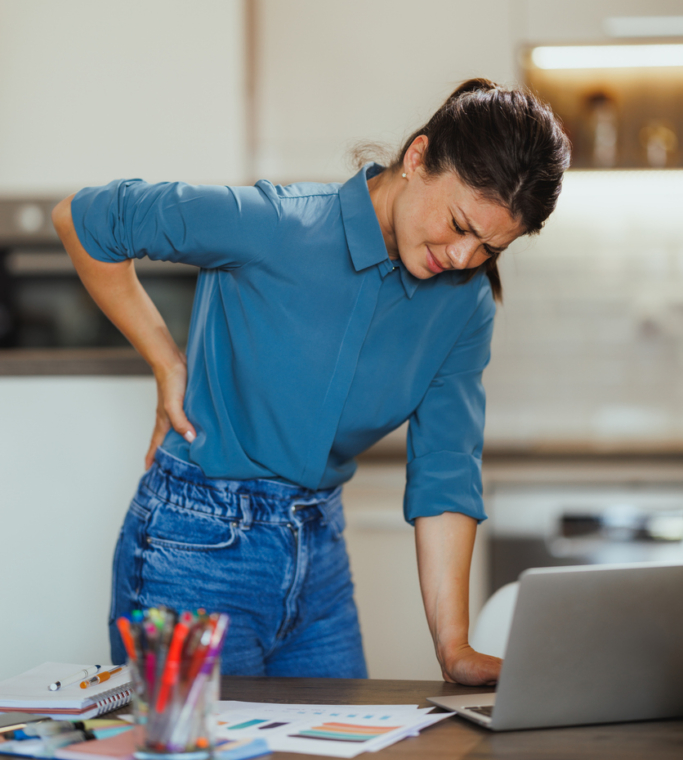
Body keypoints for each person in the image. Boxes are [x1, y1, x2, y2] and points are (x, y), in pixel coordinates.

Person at [52, 77, 570, 685]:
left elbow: (446, 467)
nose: (462, 258)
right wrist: (167, 361)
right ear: (419, 157)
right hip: (191, 555)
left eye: (489, 247)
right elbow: (84, 219)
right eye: (459, 224)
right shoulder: (275, 225)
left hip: (318, 560)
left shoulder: (464, 303)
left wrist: (453, 646)